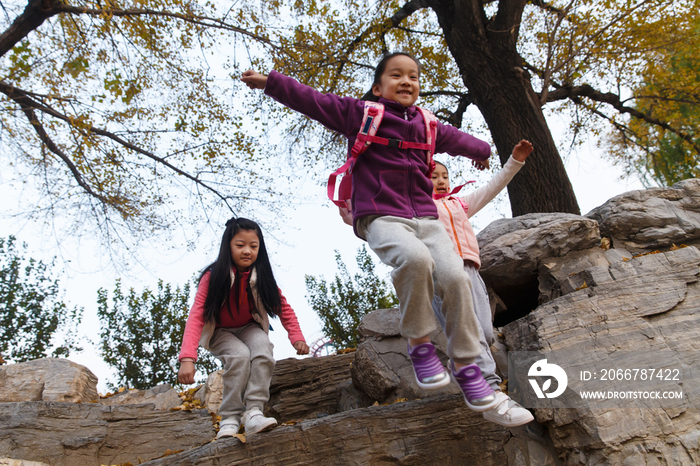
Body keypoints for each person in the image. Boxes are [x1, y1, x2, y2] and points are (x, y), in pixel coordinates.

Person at [241, 52, 500, 413]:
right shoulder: (361, 114)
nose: (406, 81)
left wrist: (483, 150)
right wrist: (271, 82)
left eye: (413, 76)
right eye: (396, 75)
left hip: (426, 218)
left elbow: (456, 138)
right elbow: (314, 100)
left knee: (456, 277)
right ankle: (420, 344)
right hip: (381, 216)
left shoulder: (428, 124)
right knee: (414, 260)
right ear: (378, 87)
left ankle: (468, 365)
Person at [431, 139, 535, 427]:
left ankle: (466, 370)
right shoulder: (416, 208)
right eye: (432, 176)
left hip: (470, 269)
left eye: (444, 177)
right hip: (441, 271)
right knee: (471, 332)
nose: (440, 181)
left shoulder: (459, 204)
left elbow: (492, 188)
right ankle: (487, 392)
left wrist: (515, 161)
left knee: (485, 333)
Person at [177, 217, 309, 439]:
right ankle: (229, 417)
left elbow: (284, 308)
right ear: (228, 246)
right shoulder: (213, 276)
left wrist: (296, 337)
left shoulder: (262, 277)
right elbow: (197, 314)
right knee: (239, 356)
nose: (247, 251)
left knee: (262, 348)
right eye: (240, 245)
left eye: (253, 246)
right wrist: (187, 358)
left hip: (249, 326)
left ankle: (254, 412)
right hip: (220, 331)